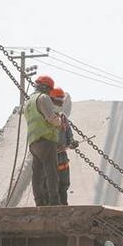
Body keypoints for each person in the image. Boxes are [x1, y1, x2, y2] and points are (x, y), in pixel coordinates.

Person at [23, 75, 64, 206]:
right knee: (52, 172)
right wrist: (60, 122)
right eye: (50, 89)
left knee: (37, 174)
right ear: (46, 87)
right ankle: (54, 202)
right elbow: (51, 118)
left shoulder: (28, 102)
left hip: (33, 142)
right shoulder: (43, 98)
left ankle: (39, 202)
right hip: (46, 139)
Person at [50, 88, 78, 205]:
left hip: (62, 158)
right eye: (58, 101)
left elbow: (69, 134)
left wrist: (72, 142)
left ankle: (64, 205)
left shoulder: (63, 118)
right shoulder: (46, 117)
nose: (60, 104)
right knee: (52, 186)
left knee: (64, 185)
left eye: (61, 101)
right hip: (50, 158)